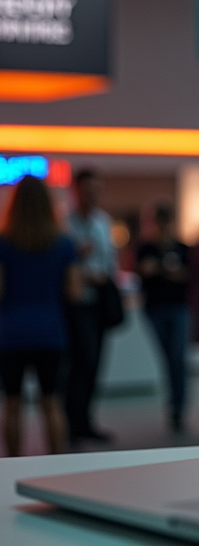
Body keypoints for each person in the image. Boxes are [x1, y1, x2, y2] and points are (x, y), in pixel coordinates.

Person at [0, 176, 81, 456]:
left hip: (10, 332)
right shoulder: (64, 244)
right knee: (51, 402)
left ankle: (11, 467)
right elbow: (74, 292)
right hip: (51, 330)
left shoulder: (4, 243)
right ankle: (56, 465)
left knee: (12, 403)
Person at [65, 169, 118, 444]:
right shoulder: (64, 223)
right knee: (80, 362)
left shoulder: (102, 222)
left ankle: (85, 420)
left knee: (95, 361)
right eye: (87, 190)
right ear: (76, 191)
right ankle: (73, 423)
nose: (93, 196)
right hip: (76, 303)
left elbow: (110, 260)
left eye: (97, 190)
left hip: (99, 301)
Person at [137, 204, 190, 432]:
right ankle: (176, 403)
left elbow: (187, 275)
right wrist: (165, 270)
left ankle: (178, 406)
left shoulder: (183, 248)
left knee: (177, 357)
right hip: (156, 308)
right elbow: (144, 270)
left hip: (178, 307)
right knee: (169, 357)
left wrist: (160, 269)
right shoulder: (146, 247)